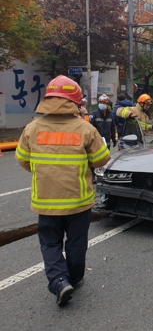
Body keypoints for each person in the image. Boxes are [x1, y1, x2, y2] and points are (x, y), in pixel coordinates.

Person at [15, 75, 111, 306]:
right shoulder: (85, 129)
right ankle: (74, 278)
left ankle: (59, 281)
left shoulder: (32, 128)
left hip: (46, 201)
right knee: (76, 242)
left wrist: (46, 172)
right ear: (76, 102)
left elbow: (22, 160)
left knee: (50, 244)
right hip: (78, 201)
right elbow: (101, 160)